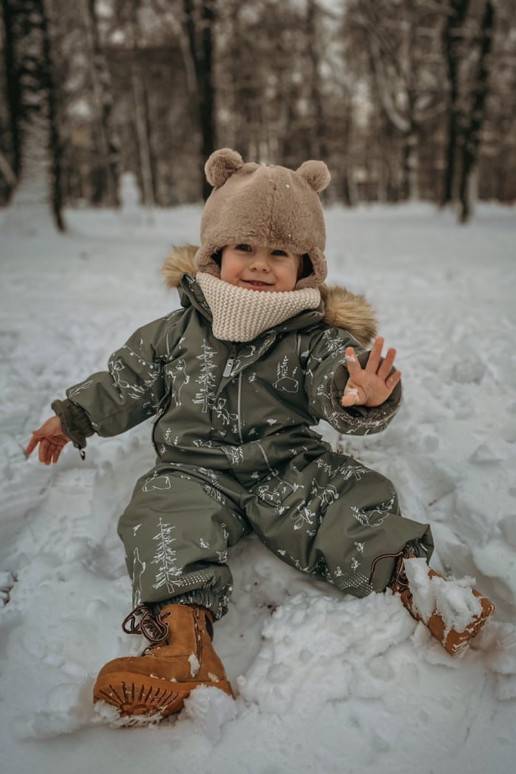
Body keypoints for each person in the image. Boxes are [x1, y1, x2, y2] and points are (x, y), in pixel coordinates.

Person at [25, 148, 494, 725]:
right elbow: (125, 382)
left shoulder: (312, 336)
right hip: (193, 469)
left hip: (287, 466)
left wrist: (360, 393)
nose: (259, 265)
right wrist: (74, 416)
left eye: (279, 253)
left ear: (305, 267)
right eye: (244, 247)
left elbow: (337, 374)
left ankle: (417, 584)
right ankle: (182, 646)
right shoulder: (174, 332)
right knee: (163, 518)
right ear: (216, 253)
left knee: (344, 500)